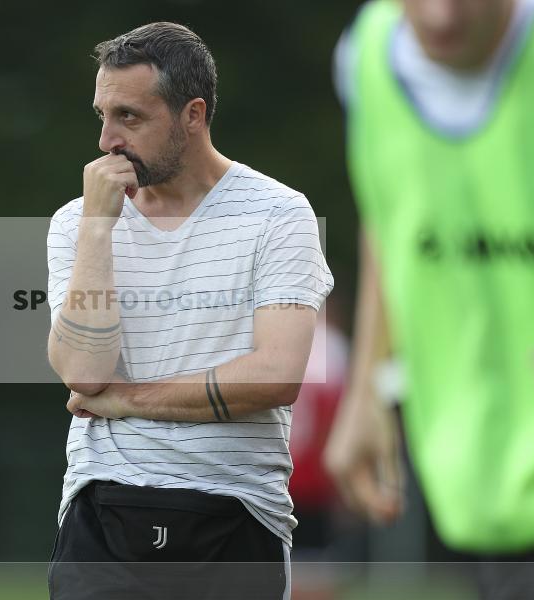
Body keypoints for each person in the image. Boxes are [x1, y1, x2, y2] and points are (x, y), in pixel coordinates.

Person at [324, 0, 534, 597]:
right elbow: (393, 219)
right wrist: (367, 389)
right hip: (489, 510)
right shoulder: (366, 57)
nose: (441, 16)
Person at [45, 22, 333, 600]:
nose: (107, 140)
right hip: (102, 507)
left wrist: (128, 400)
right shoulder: (77, 221)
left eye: (130, 117)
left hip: (233, 511)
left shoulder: (279, 213)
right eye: (102, 115)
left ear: (193, 115)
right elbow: (83, 372)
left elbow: (275, 376)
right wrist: (99, 228)